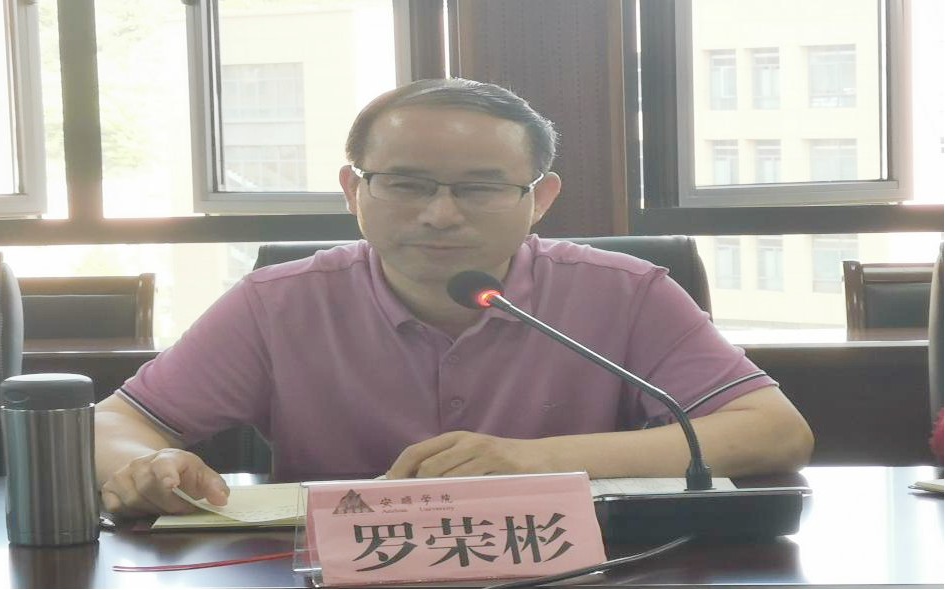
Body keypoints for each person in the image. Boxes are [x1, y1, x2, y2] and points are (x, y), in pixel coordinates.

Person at [95, 78, 814, 516]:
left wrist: (534, 460)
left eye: (480, 188)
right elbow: (114, 423)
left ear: (540, 199)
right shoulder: (277, 303)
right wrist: (148, 468)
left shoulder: (624, 292)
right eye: (406, 184)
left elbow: (774, 432)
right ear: (353, 191)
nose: (440, 215)